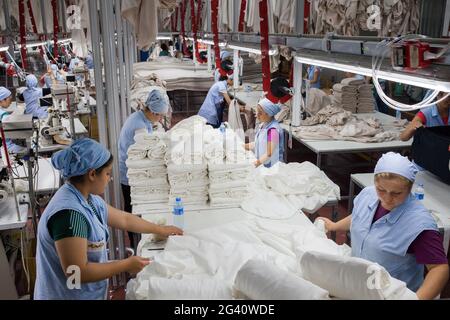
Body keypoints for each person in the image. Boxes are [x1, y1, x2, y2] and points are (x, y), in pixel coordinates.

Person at [34, 138, 182, 300]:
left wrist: (160, 230)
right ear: (91, 174)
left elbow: (124, 219)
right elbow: (77, 273)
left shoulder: (87, 198)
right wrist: (126, 264)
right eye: (107, 173)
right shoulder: (69, 216)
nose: (109, 179)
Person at [319, 152, 449, 299]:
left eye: (397, 193)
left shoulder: (419, 225)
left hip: (390, 295)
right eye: (381, 190)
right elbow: (359, 217)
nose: (387, 199)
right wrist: (334, 226)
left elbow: (439, 269)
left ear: (409, 188)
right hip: (360, 286)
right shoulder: (368, 194)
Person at [118, 89, 170, 248]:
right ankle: (136, 243)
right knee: (134, 208)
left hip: (131, 170)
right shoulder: (139, 126)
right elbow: (145, 154)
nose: (161, 119)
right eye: (160, 116)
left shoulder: (140, 118)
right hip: (131, 174)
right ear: (153, 112)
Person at [244, 98, 284, 168]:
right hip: (263, 164)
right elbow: (259, 143)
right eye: (257, 112)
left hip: (272, 167)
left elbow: (269, 153)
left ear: (269, 114)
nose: (257, 115)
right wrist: (243, 146)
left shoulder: (273, 131)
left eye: (260, 113)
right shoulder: (264, 125)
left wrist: (255, 164)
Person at [0, 87, 26, 154]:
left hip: (4, 145)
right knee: (28, 150)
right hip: (6, 147)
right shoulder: (3, 115)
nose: (11, 102)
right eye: (9, 99)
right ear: (2, 100)